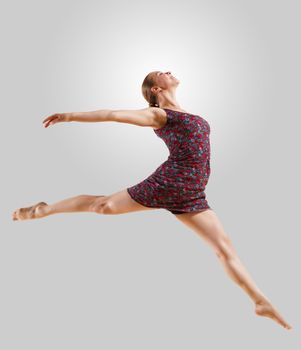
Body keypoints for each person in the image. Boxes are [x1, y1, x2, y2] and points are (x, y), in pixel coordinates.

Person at [12, 70, 292, 330]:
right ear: (156, 88)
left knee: (223, 247)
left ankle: (259, 301)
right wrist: (69, 116)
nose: (169, 71)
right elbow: (112, 114)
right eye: (162, 72)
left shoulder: (185, 113)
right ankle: (42, 210)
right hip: (169, 183)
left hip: (192, 193)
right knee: (103, 207)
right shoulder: (158, 115)